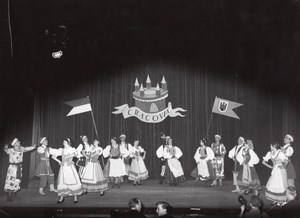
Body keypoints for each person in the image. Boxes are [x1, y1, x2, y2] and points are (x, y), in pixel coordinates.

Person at [52, 138, 83, 204]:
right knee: (63, 182)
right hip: (63, 168)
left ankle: (75, 196)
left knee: (72, 180)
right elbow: (53, 156)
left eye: (64, 142)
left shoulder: (72, 149)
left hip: (70, 168)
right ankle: (61, 197)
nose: (63, 143)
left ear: (68, 143)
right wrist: (59, 161)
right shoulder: (61, 150)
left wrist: (69, 156)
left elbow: (76, 154)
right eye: (63, 142)